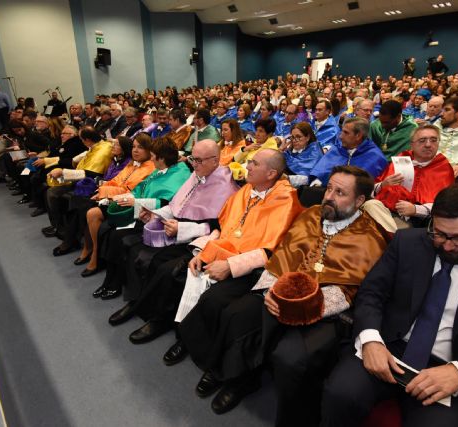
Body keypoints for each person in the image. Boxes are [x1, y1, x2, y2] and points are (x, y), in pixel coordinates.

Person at [182, 166, 392, 420]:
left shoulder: (369, 237)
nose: (329, 196)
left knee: (292, 357)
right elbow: (283, 253)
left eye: (340, 193)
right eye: (329, 188)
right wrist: (269, 290)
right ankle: (237, 377)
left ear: (360, 201)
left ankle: (265, 395)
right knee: (238, 314)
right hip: (278, 291)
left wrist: (301, 307)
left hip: (322, 309)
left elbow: (350, 289)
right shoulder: (312, 214)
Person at [322, 185, 458, 427]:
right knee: (341, 393)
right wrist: (371, 339)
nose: (447, 246)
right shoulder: (407, 243)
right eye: (440, 233)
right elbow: (372, 293)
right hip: (390, 348)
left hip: (449, 366)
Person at [164, 149, 303, 368]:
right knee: (186, 273)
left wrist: (230, 265)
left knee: (216, 301)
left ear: (271, 174)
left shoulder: (286, 200)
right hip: (223, 252)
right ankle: (184, 338)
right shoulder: (247, 190)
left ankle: (200, 351)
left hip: (251, 267)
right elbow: (224, 227)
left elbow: (271, 249)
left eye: (254, 163)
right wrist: (204, 252)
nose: (247, 166)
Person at [107, 140, 239, 342]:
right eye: (192, 158)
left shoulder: (227, 187)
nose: (193, 164)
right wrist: (155, 214)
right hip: (175, 228)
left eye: (199, 160)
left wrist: (182, 229)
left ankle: (156, 317)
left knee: (163, 266)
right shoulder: (197, 174)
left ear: (215, 160)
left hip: (197, 238)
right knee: (133, 246)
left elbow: (218, 228)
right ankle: (137, 301)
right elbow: (178, 205)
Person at [87, 136, 190, 283]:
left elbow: (166, 202)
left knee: (116, 235)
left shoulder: (178, 173)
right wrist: (121, 198)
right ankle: (110, 276)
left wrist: (135, 201)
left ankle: (114, 281)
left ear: (161, 158)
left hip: (157, 220)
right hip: (141, 210)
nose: (151, 160)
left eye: (153, 156)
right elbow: (139, 188)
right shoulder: (161, 169)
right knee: (107, 228)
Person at [374, 125, 455, 227]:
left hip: (420, 222)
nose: (428, 145)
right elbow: (373, 190)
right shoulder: (401, 159)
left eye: (434, 140)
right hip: (384, 211)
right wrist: (383, 184)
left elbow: (446, 205)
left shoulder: (443, 168)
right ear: (412, 144)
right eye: (422, 140)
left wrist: (416, 210)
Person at [41, 126, 113, 238]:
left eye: (81, 139)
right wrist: (74, 161)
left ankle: (60, 228)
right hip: (84, 178)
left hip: (91, 183)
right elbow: (83, 157)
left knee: (52, 193)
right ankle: (58, 225)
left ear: (87, 140)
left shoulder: (102, 151)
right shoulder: (100, 145)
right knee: (49, 187)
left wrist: (63, 172)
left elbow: (91, 173)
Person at [310, 117, 387, 186]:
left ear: (358, 136)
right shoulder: (338, 148)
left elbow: (362, 187)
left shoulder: (375, 157)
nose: (340, 136)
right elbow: (320, 172)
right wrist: (318, 180)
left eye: (346, 133)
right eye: (342, 131)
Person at [283, 122, 323, 186]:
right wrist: (281, 150)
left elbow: (308, 178)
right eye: (292, 137)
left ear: (307, 137)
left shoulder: (315, 152)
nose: (294, 140)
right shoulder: (290, 150)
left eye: (298, 137)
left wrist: (287, 178)